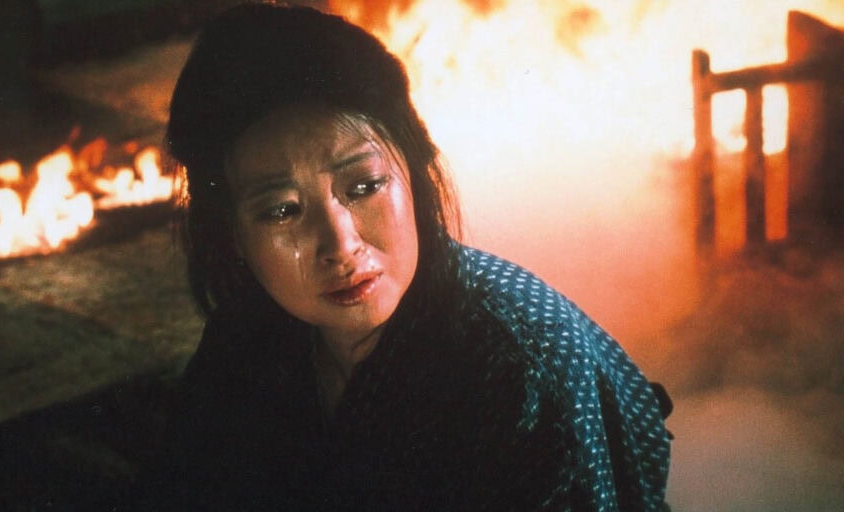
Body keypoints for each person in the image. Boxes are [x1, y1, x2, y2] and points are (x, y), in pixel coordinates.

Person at [136, 2, 671, 510]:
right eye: (282, 211)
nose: (341, 245)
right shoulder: (247, 333)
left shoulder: (520, 364)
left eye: (364, 186)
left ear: (413, 172)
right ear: (231, 233)